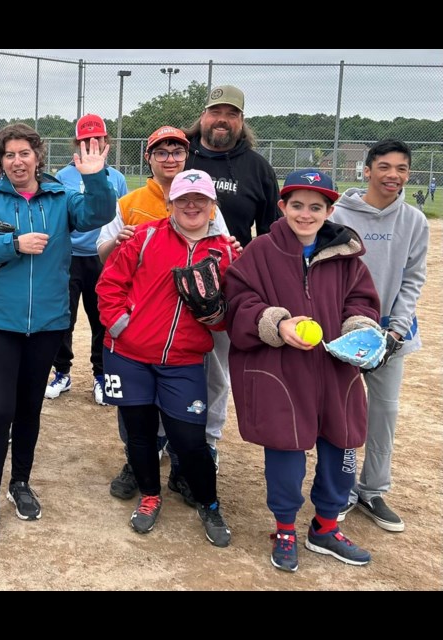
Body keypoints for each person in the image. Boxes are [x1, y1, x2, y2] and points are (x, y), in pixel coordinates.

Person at [0, 123, 116, 545]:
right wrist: (12, 245)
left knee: (29, 409)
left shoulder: (62, 199)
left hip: (46, 322)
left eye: (24, 153)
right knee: (0, 410)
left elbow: (99, 214)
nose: (16, 161)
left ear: (38, 156)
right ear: (0, 161)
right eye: (8, 155)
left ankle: (20, 484)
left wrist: (96, 176)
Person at [224, 170, 381, 570]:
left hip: (335, 369)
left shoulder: (346, 253)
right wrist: (277, 324)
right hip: (281, 369)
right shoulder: (261, 250)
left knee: (341, 446)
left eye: (316, 207)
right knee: (286, 449)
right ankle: (285, 528)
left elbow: (362, 303)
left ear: (330, 210)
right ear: (282, 207)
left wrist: (357, 330)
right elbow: (239, 303)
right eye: (297, 205)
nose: (305, 214)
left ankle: (326, 527)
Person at [96, 169, 234, 549]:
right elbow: (109, 284)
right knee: (139, 435)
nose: (192, 206)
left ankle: (209, 502)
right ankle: (150, 495)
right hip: (128, 355)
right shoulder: (145, 235)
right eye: (183, 200)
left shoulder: (225, 251)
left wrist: (213, 315)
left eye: (200, 200)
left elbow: (229, 315)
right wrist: (123, 326)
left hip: (184, 360)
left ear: (212, 206)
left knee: (190, 439)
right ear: (171, 204)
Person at [330, 140, 429, 533]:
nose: (393, 175)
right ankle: (342, 487)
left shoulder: (414, 221)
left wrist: (394, 332)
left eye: (401, 169)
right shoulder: (338, 214)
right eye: (384, 167)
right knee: (341, 411)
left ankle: (372, 490)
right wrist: (345, 327)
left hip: (392, 334)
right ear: (366, 170)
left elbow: (413, 279)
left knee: (383, 412)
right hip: (346, 331)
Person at [181, 85, 281, 474]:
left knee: (217, 370)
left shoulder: (256, 167)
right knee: (167, 359)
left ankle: (208, 440)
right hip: (171, 282)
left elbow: (272, 234)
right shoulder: (181, 154)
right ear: (202, 116)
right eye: (215, 111)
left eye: (232, 113)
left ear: (241, 121)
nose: (222, 119)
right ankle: (162, 435)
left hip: (227, 286)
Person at [46, 114, 128, 405]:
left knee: (101, 319)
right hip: (68, 257)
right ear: (77, 143)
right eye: (85, 140)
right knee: (63, 319)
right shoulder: (63, 177)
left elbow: (121, 222)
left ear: (106, 141)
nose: (92, 144)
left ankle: (101, 375)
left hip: (102, 258)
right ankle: (62, 372)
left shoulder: (116, 179)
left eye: (98, 139)